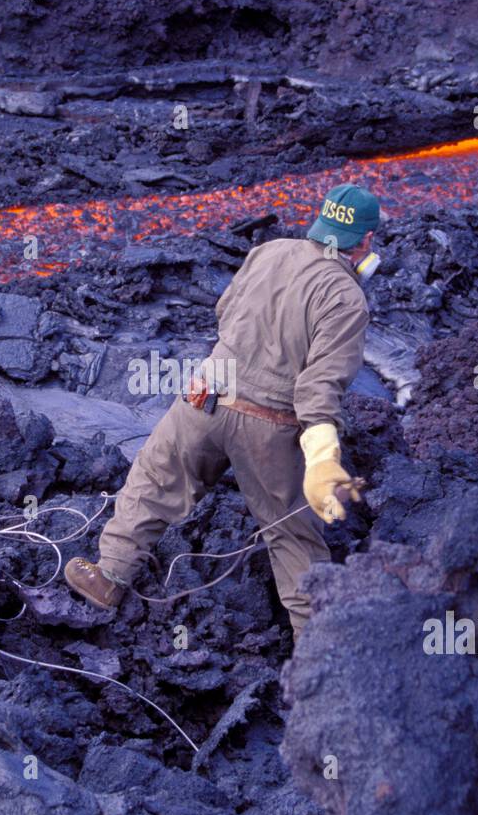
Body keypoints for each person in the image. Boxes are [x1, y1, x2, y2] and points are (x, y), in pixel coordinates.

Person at [65, 183, 380, 641]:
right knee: (292, 534)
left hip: (205, 397)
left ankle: (108, 576)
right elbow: (319, 386)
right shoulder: (347, 298)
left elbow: (225, 311)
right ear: (366, 241)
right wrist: (322, 458)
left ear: (321, 222)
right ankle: (315, 648)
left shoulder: (269, 251)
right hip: (270, 428)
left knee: (154, 481)